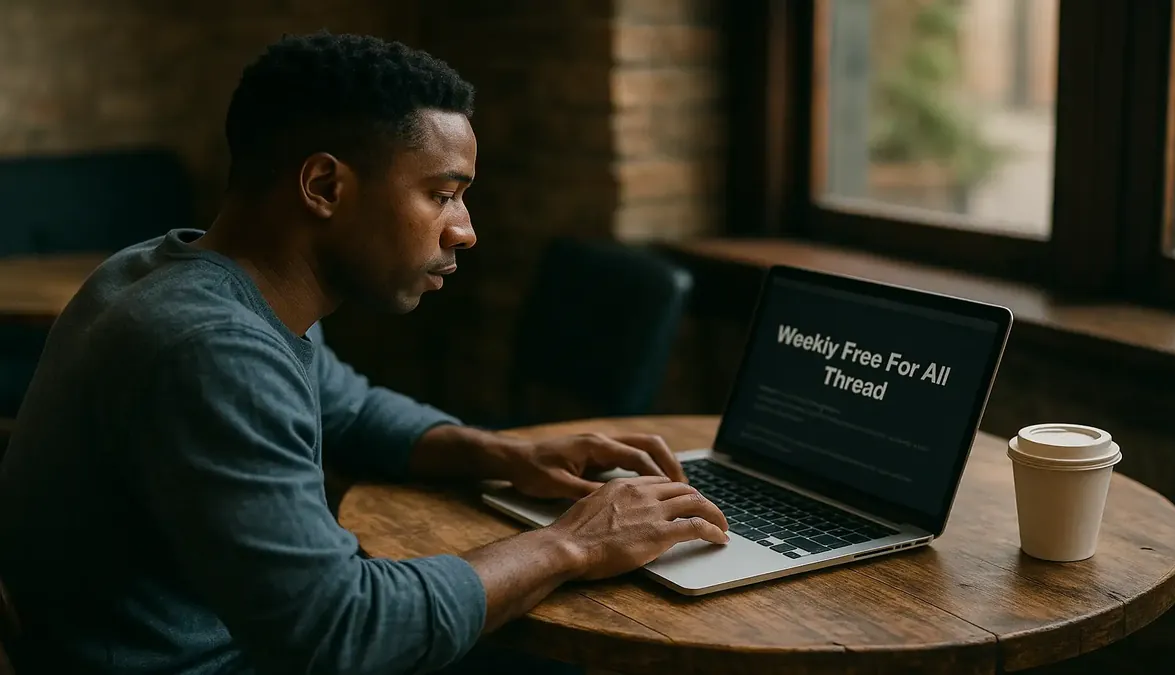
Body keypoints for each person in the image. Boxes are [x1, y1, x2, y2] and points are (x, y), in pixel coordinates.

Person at [0, 31, 729, 675]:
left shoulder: (170, 271)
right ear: (324, 186)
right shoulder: (212, 348)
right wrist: (573, 542)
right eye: (443, 194)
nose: (465, 230)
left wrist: (502, 454)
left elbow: (347, 403)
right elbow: (337, 635)